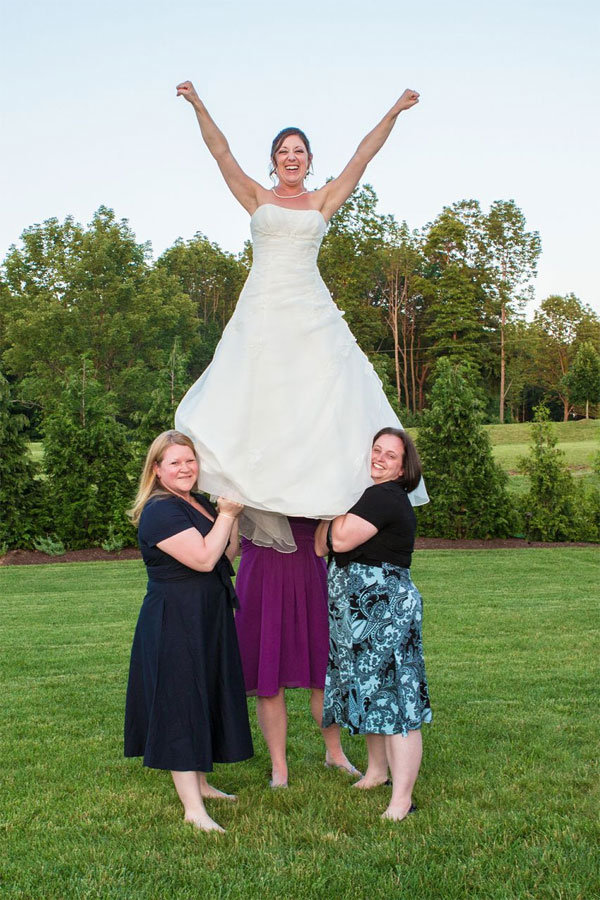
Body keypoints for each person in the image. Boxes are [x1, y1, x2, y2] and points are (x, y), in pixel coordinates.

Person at [174, 79, 428, 554]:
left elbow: (361, 158)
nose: (292, 158)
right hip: (263, 311)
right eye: (284, 151)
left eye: (300, 151)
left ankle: (319, 499)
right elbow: (221, 153)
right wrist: (199, 104)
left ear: (309, 160)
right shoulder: (256, 197)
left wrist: (394, 111)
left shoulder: (322, 200)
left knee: (322, 398)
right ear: (274, 160)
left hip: (309, 309)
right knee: (257, 397)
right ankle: (253, 496)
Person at [124, 430, 253, 834]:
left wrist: (230, 518)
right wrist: (228, 516)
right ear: (157, 469)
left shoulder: (190, 502)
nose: (185, 468)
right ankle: (192, 809)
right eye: (174, 462)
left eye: (190, 460)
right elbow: (200, 558)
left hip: (205, 614)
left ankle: (201, 783)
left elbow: (223, 556)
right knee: (181, 702)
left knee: (203, 693)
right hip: (175, 618)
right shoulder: (160, 510)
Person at [315, 428, 432, 821]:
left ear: (403, 469)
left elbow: (340, 540)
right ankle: (378, 771)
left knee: (395, 699)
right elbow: (320, 544)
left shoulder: (384, 495)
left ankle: (402, 800)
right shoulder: (364, 496)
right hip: (360, 615)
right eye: (375, 450)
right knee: (371, 691)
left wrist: (335, 521)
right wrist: (336, 520)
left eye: (390, 455)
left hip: (384, 612)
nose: (379, 458)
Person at [234, 517, 360, 787]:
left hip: (309, 569)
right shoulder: (246, 474)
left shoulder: (318, 474)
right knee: (268, 677)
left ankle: (335, 753)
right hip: (260, 574)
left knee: (323, 673)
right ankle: (279, 767)